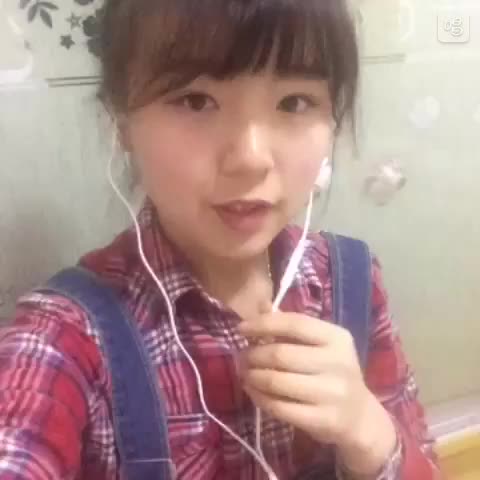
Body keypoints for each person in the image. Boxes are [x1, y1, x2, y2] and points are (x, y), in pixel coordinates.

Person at [0, 0, 440, 479]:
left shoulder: (350, 283)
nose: (250, 159)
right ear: (123, 123)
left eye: (294, 102)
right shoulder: (69, 339)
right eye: (195, 100)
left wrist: (369, 432)